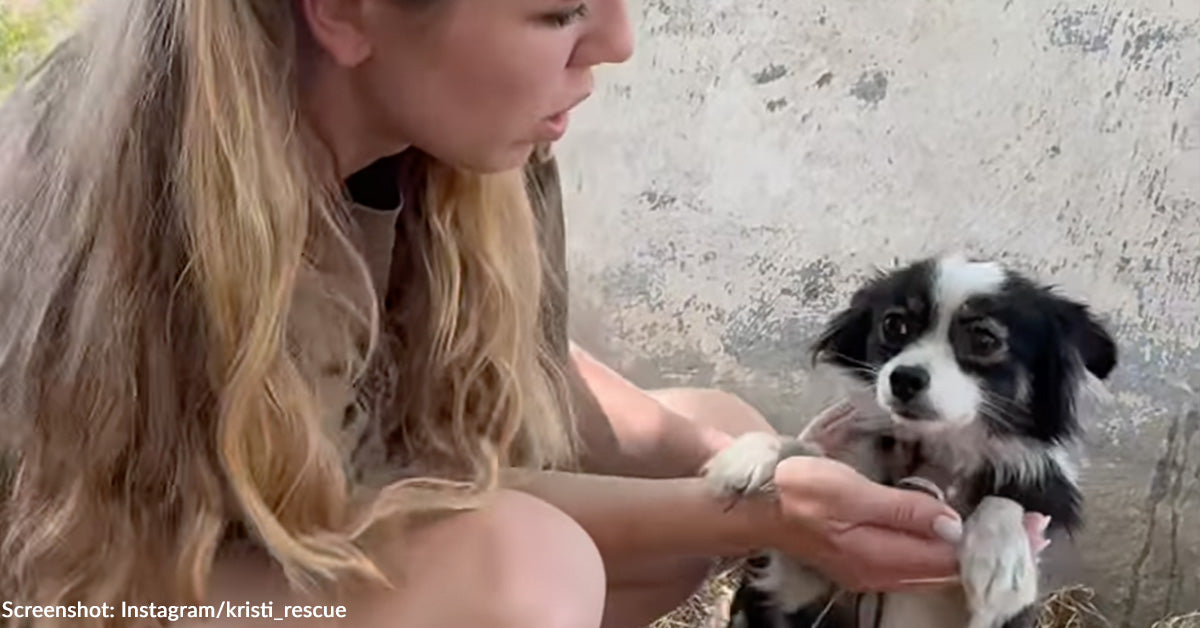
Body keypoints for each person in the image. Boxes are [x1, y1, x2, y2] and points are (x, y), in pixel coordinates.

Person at [0, 1, 1047, 627]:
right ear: (346, 10)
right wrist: (758, 512)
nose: (618, 41)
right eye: (556, 10)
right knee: (520, 565)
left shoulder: (467, 151)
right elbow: (340, 505)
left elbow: (523, 379)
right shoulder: (165, 183)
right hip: (82, 586)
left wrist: (748, 458)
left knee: (715, 426)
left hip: (299, 529)